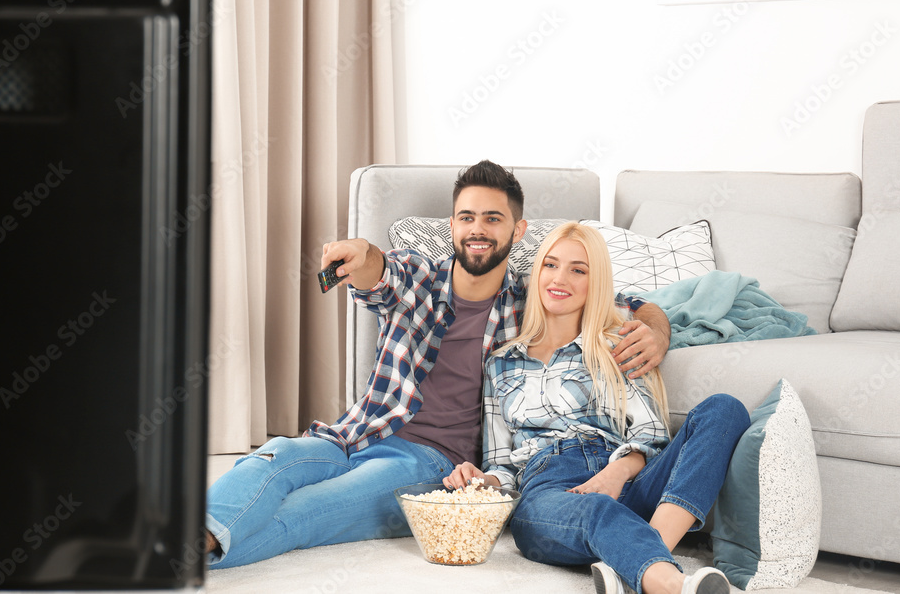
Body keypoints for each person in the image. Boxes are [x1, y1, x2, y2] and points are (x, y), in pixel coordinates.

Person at [204, 161, 672, 568]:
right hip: (357, 434)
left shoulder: (532, 299)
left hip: (430, 463)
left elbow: (625, 303)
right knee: (275, 457)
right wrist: (360, 253)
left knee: (306, 512)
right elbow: (376, 268)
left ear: (518, 229)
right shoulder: (417, 277)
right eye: (467, 217)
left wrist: (656, 330)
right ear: (452, 225)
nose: (478, 229)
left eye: (493, 218)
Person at [443, 222, 750, 594]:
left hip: (627, 478)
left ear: (596, 282)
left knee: (724, 409)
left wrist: (616, 473)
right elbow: (502, 466)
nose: (560, 279)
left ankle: (636, 559)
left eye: (578, 270)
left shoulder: (615, 346)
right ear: (537, 272)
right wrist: (482, 480)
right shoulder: (500, 363)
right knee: (597, 511)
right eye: (551, 265)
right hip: (550, 493)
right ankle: (670, 583)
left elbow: (650, 434)